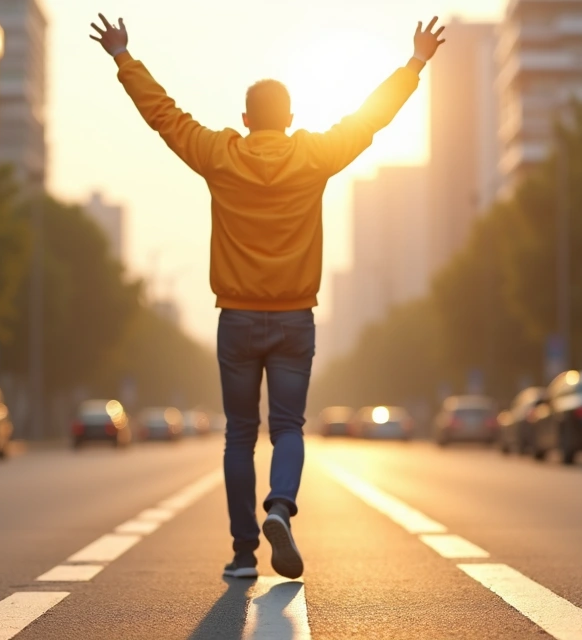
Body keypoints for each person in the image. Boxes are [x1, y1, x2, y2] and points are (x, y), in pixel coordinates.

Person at [90, 13, 446, 580]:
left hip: (236, 319)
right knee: (287, 428)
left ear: (246, 119)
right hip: (293, 320)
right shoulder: (314, 155)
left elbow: (164, 115)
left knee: (239, 435)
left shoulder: (219, 154)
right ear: (291, 119)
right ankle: (280, 506)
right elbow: (370, 118)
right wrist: (416, 62)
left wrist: (123, 57)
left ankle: (242, 554)